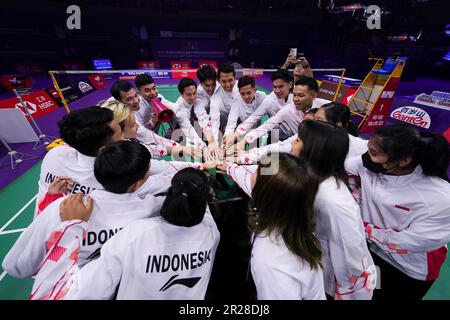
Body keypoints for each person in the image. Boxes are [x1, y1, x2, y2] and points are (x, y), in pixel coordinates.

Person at [27, 168, 220, 300]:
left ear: (170, 193)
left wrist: (71, 227)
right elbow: (202, 208)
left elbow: (69, 293)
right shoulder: (211, 233)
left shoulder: (134, 234)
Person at [3, 140, 165, 279]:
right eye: (148, 172)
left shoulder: (62, 209)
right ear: (136, 184)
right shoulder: (152, 207)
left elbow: (15, 267)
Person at [345, 124, 450, 300]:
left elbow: (414, 241)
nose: (365, 155)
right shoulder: (371, 164)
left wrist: (362, 228)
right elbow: (343, 169)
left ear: (403, 161)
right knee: (368, 293)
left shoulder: (439, 197)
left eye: (373, 152)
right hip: (373, 252)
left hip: (410, 268)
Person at [290, 120, 376, 299]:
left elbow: (352, 259)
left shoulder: (334, 202)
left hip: (331, 283)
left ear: (313, 150)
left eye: (298, 140)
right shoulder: (314, 179)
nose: (292, 143)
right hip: (315, 267)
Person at [249, 153, 325, 299]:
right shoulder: (294, 223)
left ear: (266, 193)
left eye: (257, 171)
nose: (252, 173)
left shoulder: (271, 263)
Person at [34, 106, 122, 217]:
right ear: (104, 149)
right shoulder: (118, 171)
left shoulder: (54, 154)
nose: (124, 139)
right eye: (121, 136)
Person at [100, 100, 217, 176]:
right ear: (117, 129)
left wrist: (181, 148)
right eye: (132, 124)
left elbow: (150, 149)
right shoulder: (123, 156)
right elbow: (163, 168)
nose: (137, 126)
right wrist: (201, 166)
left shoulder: (122, 142)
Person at [231, 76, 327, 151]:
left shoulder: (326, 107)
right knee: (271, 165)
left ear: (314, 95)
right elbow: (267, 124)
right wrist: (244, 140)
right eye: (294, 95)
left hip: (319, 148)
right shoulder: (286, 109)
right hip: (282, 138)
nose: (296, 99)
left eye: (300, 95)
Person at [110, 80, 191, 158]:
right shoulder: (118, 116)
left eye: (136, 95)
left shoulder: (154, 97)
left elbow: (176, 109)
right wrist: (180, 148)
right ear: (118, 102)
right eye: (129, 99)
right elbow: (146, 135)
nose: (136, 101)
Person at [175, 77, 220, 159]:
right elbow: (188, 129)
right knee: (186, 156)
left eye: (194, 93)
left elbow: (203, 118)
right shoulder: (179, 110)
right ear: (181, 94)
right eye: (188, 94)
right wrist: (203, 147)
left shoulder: (197, 99)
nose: (193, 97)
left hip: (192, 127)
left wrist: (211, 141)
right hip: (178, 132)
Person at [222, 76, 267, 144]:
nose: (246, 97)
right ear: (239, 92)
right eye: (242, 94)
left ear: (255, 90)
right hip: (239, 132)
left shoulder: (262, 96)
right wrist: (227, 138)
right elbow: (231, 123)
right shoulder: (236, 102)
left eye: (248, 93)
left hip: (256, 131)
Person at [209, 64, 241, 142]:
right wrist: (214, 142)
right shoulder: (215, 97)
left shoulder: (243, 89)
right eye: (223, 81)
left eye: (230, 80)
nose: (228, 85)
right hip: (225, 125)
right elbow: (214, 122)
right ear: (218, 81)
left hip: (244, 124)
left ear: (235, 78)